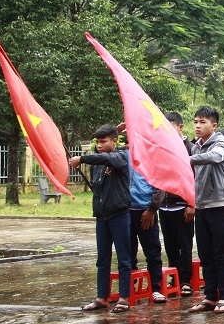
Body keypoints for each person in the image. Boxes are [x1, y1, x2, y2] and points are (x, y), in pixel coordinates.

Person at [70, 124, 132, 313]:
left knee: (124, 259)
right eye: (97, 142)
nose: (99, 145)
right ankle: (102, 297)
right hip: (102, 217)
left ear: (114, 141)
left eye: (103, 142)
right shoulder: (97, 166)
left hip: (120, 215)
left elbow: (105, 158)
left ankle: (123, 298)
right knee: (102, 259)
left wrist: (82, 159)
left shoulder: (120, 157)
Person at [188, 106, 224, 313]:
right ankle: (209, 296)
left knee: (222, 254)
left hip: (220, 206)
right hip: (202, 207)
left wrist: (187, 159)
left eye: (203, 122)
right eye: (196, 121)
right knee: (205, 254)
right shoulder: (195, 147)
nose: (198, 125)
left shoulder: (221, 144)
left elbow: (215, 157)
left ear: (214, 126)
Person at [153, 111, 195, 297]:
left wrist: (191, 204)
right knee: (169, 245)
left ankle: (186, 280)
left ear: (180, 127)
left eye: (171, 127)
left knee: (184, 244)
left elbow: (195, 179)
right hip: (165, 205)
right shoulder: (162, 149)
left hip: (183, 205)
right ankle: (175, 276)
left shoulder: (190, 148)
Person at [127, 160, 166, 304]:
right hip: (126, 211)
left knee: (152, 251)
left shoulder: (152, 158)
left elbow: (160, 188)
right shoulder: (124, 155)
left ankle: (155, 288)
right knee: (127, 251)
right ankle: (130, 288)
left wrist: (151, 210)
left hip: (145, 211)